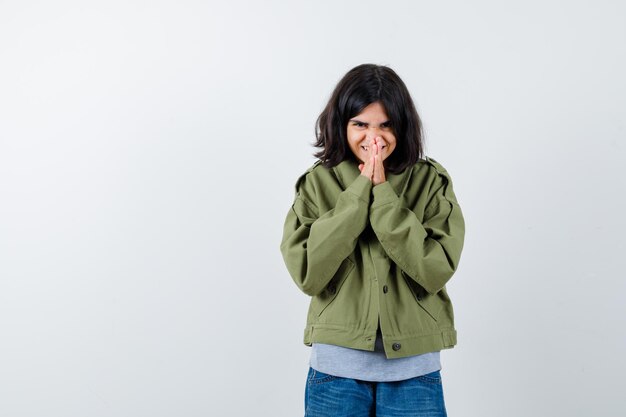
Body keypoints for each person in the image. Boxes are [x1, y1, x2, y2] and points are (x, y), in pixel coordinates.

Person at [279, 63, 466, 417]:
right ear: (342, 125)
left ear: (403, 125)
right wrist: (359, 194)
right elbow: (309, 273)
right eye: (360, 125)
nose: (374, 138)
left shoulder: (431, 182)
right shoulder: (317, 184)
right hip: (336, 372)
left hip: (415, 372)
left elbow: (435, 269)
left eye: (385, 125)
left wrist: (384, 198)